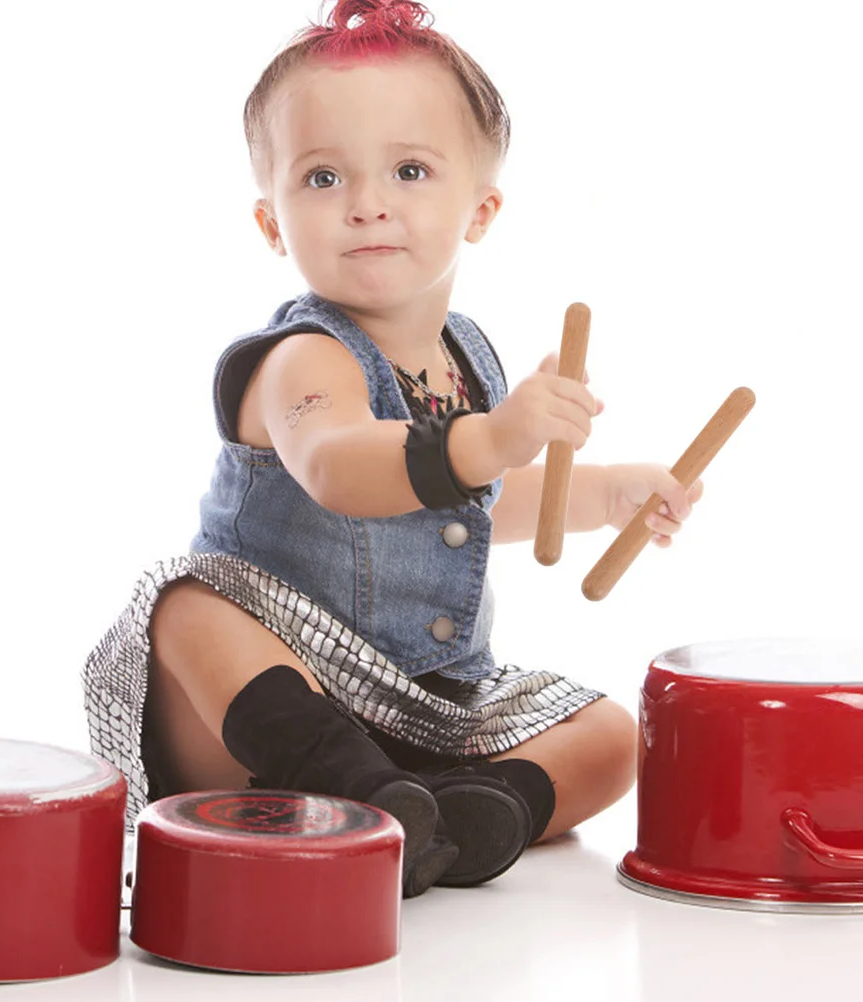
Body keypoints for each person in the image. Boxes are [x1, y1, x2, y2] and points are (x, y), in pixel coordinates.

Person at [82, 0, 703, 898]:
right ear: (271, 224)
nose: (368, 204)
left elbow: (479, 500)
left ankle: (464, 815)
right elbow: (341, 466)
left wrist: (609, 495)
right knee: (185, 604)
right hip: (268, 715)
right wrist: (491, 435)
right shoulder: (304, 357)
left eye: (409, 170)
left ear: (480, 209)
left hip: (427, 713)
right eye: (324, 179)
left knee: (611, 736)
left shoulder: (469, 357)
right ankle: (356, 793)